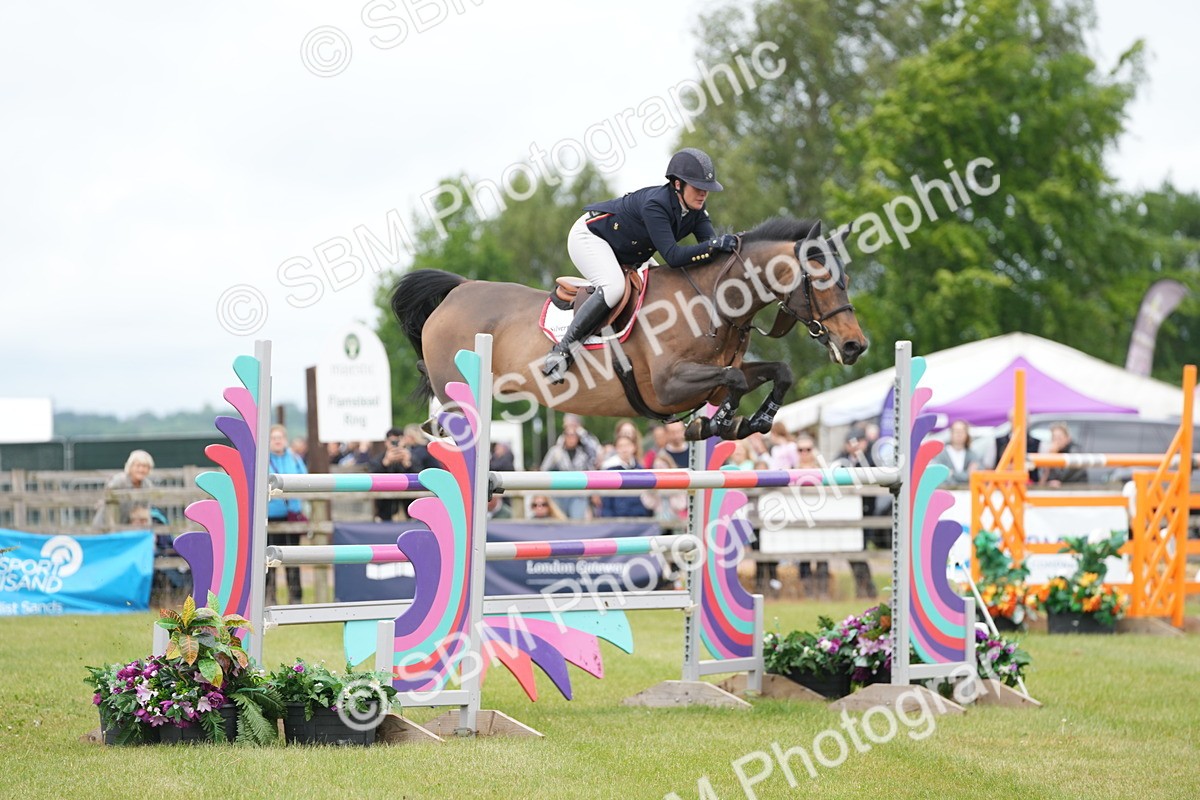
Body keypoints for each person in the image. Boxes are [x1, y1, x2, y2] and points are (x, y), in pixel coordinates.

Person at [542, 148, 738, 383]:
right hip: (591, 238)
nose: (703, 194)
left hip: (631, 251)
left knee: (661, 287)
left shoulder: (696, 211)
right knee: (614, 287)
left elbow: (709, 250)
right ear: (677, 184)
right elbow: (674, 257)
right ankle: (561, 352)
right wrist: (715, 245)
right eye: (698, 188)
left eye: (706, 190)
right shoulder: (656, 205)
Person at [266, 424, 307, 604]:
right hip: (270, 518)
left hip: (291, 515)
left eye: (279, 437)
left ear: (285, 440)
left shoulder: (295, 459)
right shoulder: (262, 460)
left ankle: (295, 597)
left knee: (292, 559)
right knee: (268, 560)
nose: (277, 440)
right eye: (273, 438)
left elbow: (305, 481)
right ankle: (268, 598)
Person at [540, 427, 596, 519]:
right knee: (560, 520)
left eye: (573, 435)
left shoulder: (584, 453)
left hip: (578, 493)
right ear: (564, 437)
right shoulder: (555, 452)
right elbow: (544, 470)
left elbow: (591, 473)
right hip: (559, 492)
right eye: (568, 435)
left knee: (576, 520)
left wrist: (593, 492)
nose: (571, 438)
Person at [92, 449, 156, 527]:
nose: (141, 469)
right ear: (130, 467)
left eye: (145, 466)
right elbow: (106, 503)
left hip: (129, 528)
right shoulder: (118, 481)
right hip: (106, 525)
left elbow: (145, 511)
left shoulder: (147, 485)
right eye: (138, 466)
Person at [598, 434, 655, 518]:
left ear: (634, 447)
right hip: (617, 516)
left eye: (627, 445)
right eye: (621, 446)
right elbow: (607, 500)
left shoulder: (641, 470)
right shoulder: (610, 471)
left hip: (639, 516)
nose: (624, 449)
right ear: (616, 449)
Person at [370, 427, 412, 522]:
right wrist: (385, 463)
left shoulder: (412, 457)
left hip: (409, 508)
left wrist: (408, 464)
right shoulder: (378, 459)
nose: (395, 445)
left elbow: (420, 476)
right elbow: (373, 477)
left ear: (403, 441)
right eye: (392, 442)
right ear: (386, 442)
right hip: (385, 508)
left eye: (398, 441)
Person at [932, 419, 982, 484]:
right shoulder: (941, 454)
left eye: (961, 431)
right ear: (951, 433)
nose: (959, 434)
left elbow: (972, 476)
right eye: (956, 431)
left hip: (966, 492)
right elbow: (939, 475)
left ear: (966, 434)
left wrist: (952, 473)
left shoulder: (972, 455)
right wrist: (964, 476)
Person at [1042, 422, 1087, 487]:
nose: (1056, 441)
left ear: (1068, 438)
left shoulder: (1074, 451)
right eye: (1054, 438)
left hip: (1077, 490)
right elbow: (1046, 479)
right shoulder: (1055, 452)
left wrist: (1053, 454)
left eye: (1059, 438)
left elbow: (1062, 477)